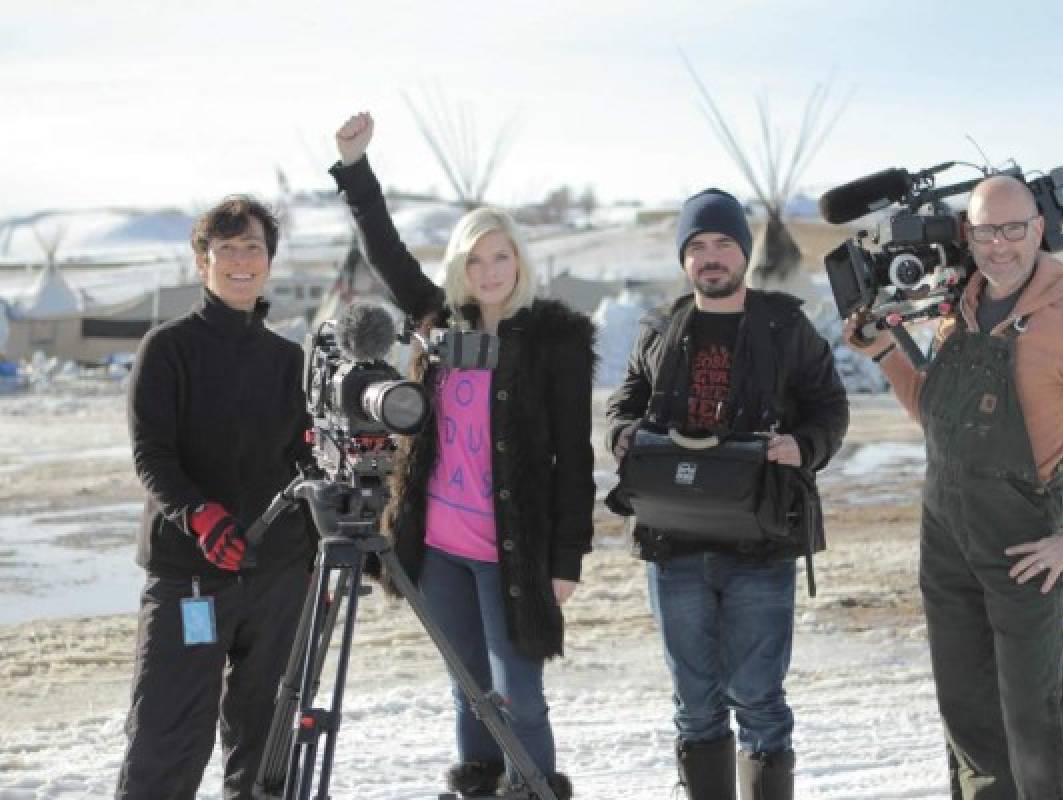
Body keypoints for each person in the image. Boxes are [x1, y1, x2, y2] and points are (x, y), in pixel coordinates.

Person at [843, 175, 1063, 798]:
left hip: (1022, 548)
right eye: (986, 230)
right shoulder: (957, 306)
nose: (1000, 245)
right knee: (968, 718)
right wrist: (885, 351)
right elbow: (939, 415)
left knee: (1033, 723)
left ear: (1038, 230)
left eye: (1014, 228)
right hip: (945, 542)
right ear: (968, 234)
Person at [329, 112, 594, 800]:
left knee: (520, 694)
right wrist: (355, 171)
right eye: (475, 259)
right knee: (469, 688)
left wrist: (567, 559)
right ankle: (478, 788)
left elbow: (575, 455)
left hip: (513, 549)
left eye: (500, 256)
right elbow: (386, 253)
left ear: (519, 262)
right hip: (440, 543)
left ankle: (533, 790)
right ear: (460, 267)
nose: (489, 271)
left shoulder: (556, 339)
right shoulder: (439, 324)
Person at [606, 188, 848, 800]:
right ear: (684, 259)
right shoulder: (660, 328)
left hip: (760, 544)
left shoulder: (784, 326)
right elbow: (625, 399)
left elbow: (830, 405)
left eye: (722, 244)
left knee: (761, 703)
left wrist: (804, 444)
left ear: (742, 252)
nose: (711, 257)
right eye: (697, 247)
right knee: (694, 706)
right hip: (672, 540)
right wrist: (620, 431)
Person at [116, 197, 316, 799]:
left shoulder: (287, 358)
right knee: (169, 733)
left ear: (269, 262)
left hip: (275, 577)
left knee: (265, 740)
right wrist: (199, 515)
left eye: (252, 247)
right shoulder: (167, 348)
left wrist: (311, 557)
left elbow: (300, 462)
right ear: (201, 262)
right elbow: (152, 454)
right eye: (225, 248)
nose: (239, 260)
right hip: (191, 576)